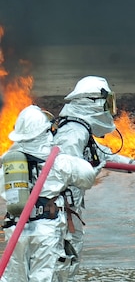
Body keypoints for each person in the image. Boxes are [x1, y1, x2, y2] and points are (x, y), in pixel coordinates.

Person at [49, 76, 135, 280]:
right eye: (106, 102)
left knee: (66, 259)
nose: (108, 108)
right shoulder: (73, 132)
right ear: (94, 102)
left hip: (67, 209)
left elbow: (101, 155)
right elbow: (64, 172)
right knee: (62, 260)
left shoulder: (80, 128)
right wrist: (92, 173)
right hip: (61, 212)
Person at [0, 105, 100, 282]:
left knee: (15, 277)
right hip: (46, 229)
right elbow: (87, 178)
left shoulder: (9, 163)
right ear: (46, 131)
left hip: (16, 228)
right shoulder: (59, 160)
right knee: (44, 277)